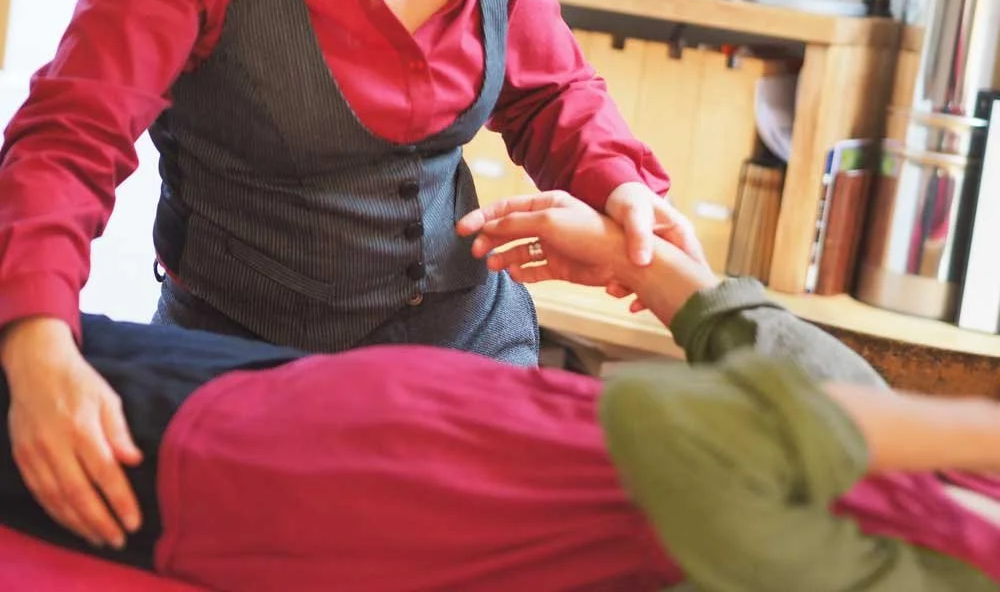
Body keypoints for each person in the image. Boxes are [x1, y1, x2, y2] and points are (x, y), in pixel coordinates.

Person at [0, 0, 706, 559]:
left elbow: (552, 92)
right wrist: (35, 345)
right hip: (258, 379)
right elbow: (69, 142)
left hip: (471, 357)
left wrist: (621, 185)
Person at [2, 191, 999, 591]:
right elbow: (821, 384)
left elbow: (673, 431)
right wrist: (649, 267)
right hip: (371, 403)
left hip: (343, 498)